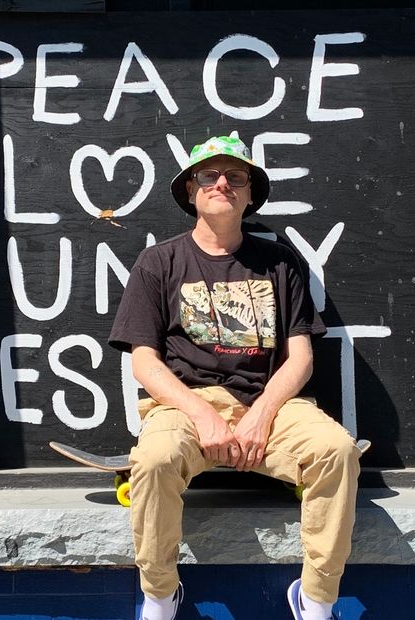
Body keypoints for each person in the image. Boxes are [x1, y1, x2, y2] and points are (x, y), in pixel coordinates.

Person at [108, 132, 361, 620]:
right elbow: (144, 361)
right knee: (156, 459)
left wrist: (261, 415)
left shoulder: (281, 262)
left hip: (273, 405)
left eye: (235, 177)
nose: (222, 183)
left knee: (338, 451)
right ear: (190, 190)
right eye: (209, 175)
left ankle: (316, 601)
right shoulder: (158, 262)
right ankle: (160, 597)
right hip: (185, 406)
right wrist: (203, 415)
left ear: (249, 193)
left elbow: (301, 357)